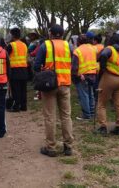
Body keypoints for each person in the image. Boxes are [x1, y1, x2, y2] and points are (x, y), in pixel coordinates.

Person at [34, 24, 74, 157]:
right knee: (66, 116)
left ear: (51, 33)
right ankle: (68, 146)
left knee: (50, 117)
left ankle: (51, 147)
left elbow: (36, 65)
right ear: (62, 34)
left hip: (49, 85)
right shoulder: (69, 46)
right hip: (65, 84)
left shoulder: (46, 45)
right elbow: (72, 62)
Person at [96, 33, 119, 136]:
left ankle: (103, 127)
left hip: (109, 78)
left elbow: (103, 55)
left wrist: (103, 67)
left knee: (101, 104)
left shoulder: (110, 49)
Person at [72, 34, 98, 121]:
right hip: (93, 75)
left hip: (82, 76)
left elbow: (74, 67)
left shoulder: (77, 51)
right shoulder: (94, 48)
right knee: (91, 94)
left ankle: (86, 115)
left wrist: (77, 75)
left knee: (84, 95)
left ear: (78, 41)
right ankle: (92, 112)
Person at [7, 28, 28, 112]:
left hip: (15, 69)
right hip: (24, 69)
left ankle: (16, 106)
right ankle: (23, 106)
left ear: (12, 35)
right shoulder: (24, 45)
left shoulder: (11, 45)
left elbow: (5, 55)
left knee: (15, 89)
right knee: (23, 88)